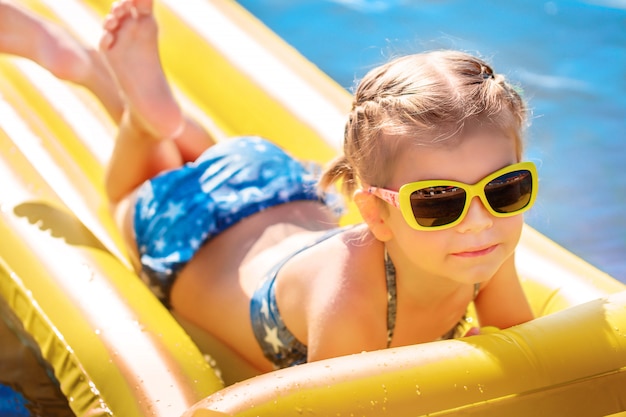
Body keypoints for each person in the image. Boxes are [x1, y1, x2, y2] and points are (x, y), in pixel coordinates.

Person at [99, 0, 535, 372]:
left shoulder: (486, 244)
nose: (479, 220)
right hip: (191, 232)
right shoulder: (348, 297)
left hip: (269, 186)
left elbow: (526, 348)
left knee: (196, 156)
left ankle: (159, 119)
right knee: (128, 194)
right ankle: (145, 123)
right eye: (437, 200)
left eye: (504, 189)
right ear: (375, 213)